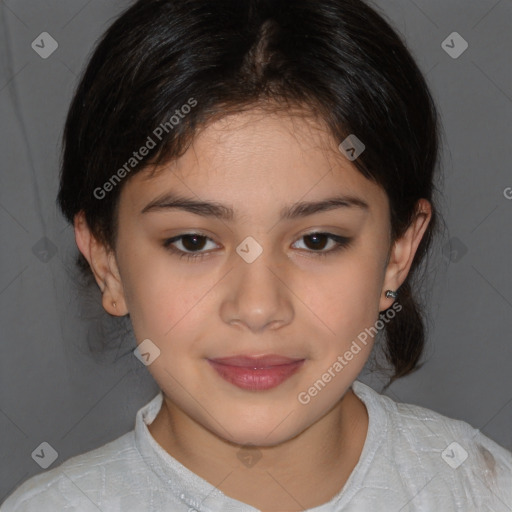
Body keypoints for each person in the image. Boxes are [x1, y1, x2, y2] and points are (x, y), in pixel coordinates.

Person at [2, 0, 511, 510]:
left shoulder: (482, 489)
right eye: (193, 242)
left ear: (398, 253)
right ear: (107, 261)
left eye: (317, 240)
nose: (259, 308)